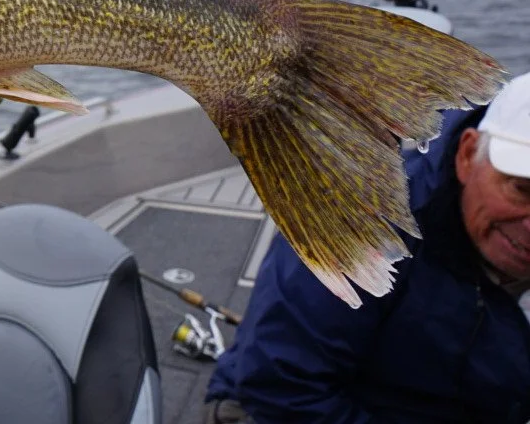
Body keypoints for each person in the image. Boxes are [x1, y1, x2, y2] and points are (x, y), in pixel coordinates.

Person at [204, 71, 530, 423]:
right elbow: (280, 387)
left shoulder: (485, 222)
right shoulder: (357, 223)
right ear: (468, 156)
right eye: (522, 190)